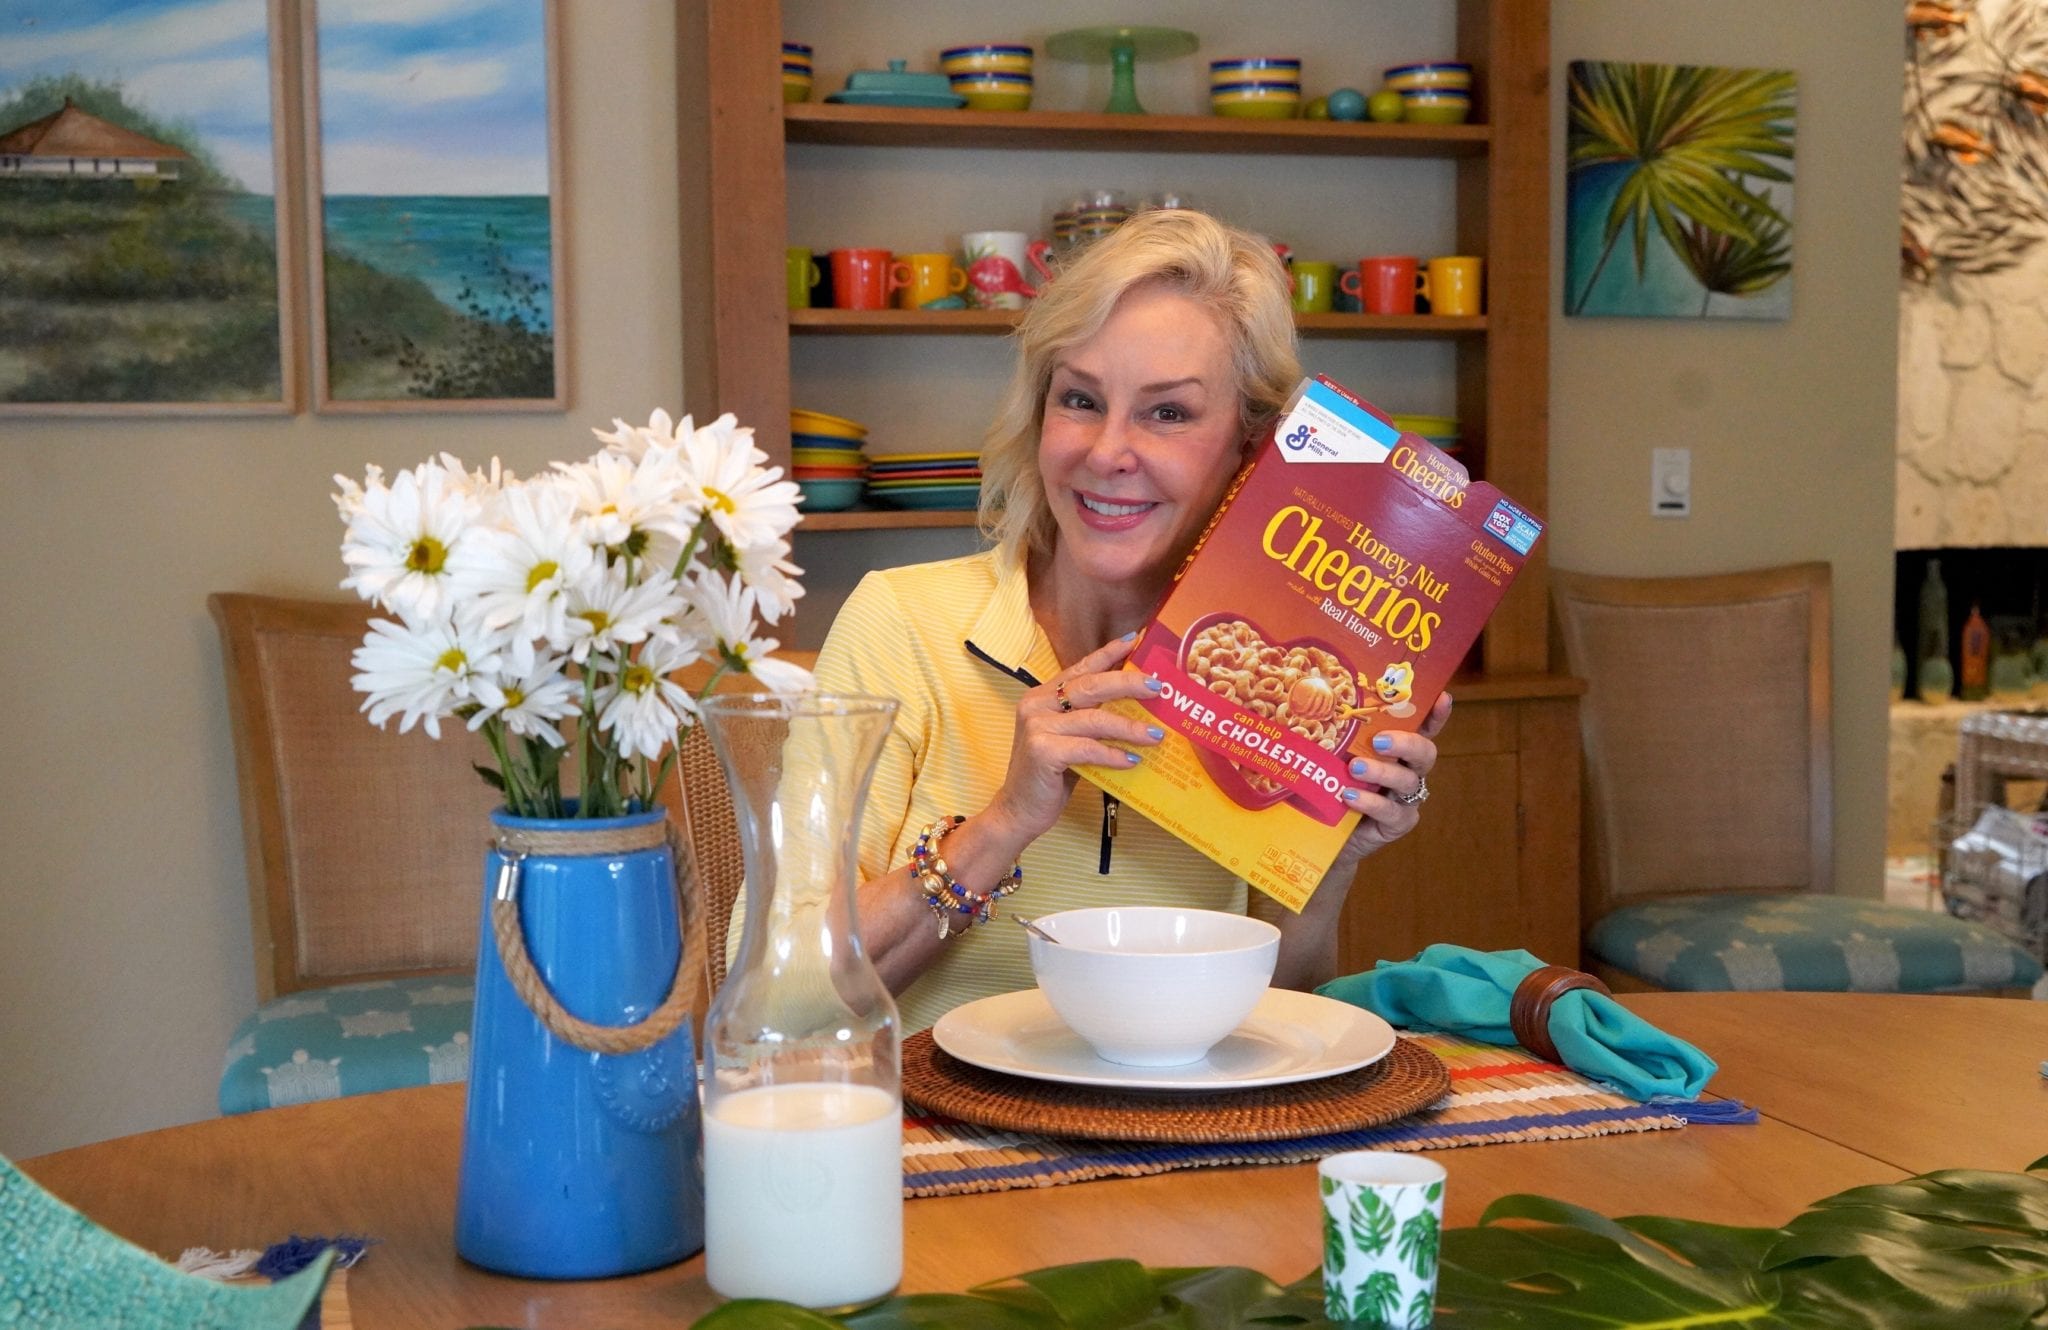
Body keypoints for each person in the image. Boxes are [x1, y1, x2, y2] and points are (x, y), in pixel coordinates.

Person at [813, 209, 1449, 1033]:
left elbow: (1279, 1014)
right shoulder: (897, 622)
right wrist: (1005, 823)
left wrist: (1333, 855)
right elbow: (790, 994)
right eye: (1080, 399)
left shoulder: (1263, 674)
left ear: (1252, 448)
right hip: (938, 1142)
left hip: (1183, 1137)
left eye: (1167, 413)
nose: (1107, 451)